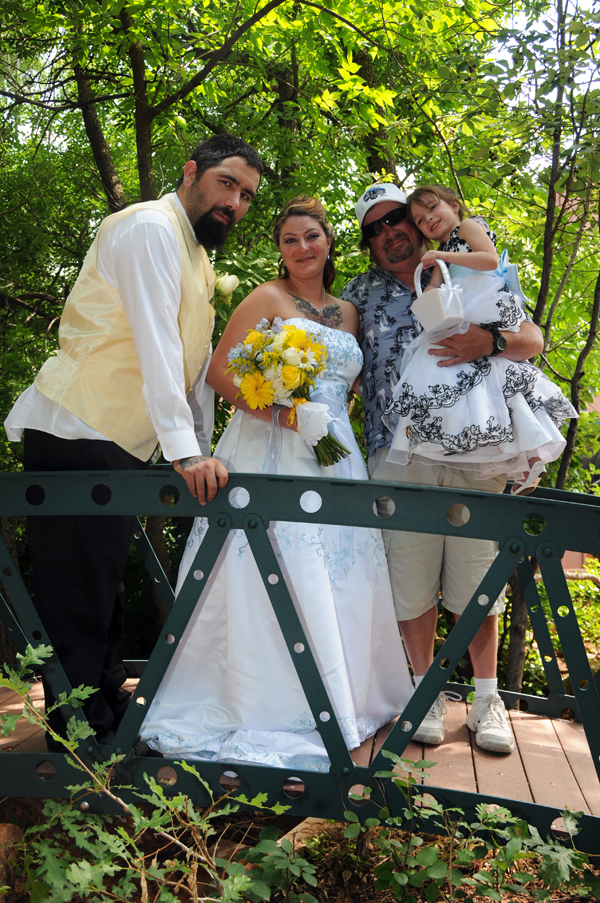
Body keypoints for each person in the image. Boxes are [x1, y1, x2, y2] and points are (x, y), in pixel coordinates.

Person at [4, 134, 263, 749]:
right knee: (75, 585)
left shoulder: (197, 255)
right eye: (226, 183)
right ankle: (74, 732)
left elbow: (192, 362)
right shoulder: (149, 227)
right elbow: (155, 344)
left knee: (102, 581)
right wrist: (186, 450)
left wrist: (197, 441)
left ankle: (106, 708)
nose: (235, 202)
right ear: (191, 172)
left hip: (118, 437)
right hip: (77, 425)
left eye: (247, 195)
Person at [140, 196, 413, 771]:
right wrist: (284, 411)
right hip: (273, 446)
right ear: (280, 251)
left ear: (329, 241)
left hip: (335, 454)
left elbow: (349, 381)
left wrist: (333, 407)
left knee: (339, 568)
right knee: (273, 563)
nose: (302, 248)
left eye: (311, 236)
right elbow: (218, 372)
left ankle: (349, 696)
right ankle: (263, 701)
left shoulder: (349, 311)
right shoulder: (267, 298)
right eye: (290, 240)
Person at [340, 182, 544, 754]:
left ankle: (486, 699)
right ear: (369, 245)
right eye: (373, 229)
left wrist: (491, 339)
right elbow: (329, 346)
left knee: (479, 579)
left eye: (395, 218)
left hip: (479, 451)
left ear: (419, 219)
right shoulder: (361, 292)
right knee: (411, 583)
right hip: (397, 455)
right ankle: (426, 691)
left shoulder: (473, 270)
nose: (387, 233)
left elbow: (533, 337)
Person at [387, 184, 576, 494]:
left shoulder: (468, 227)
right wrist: (429, 294)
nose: (428, 220)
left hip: (484, 306)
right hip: (463, 315)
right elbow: (435, 287)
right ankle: (503, 459)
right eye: (420, 220)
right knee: (478, 392)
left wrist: (442, 255)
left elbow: (489, 259)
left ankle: (531, 459)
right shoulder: (443, 255)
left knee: (507, 386)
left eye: (433, 208)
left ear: (454, 205)